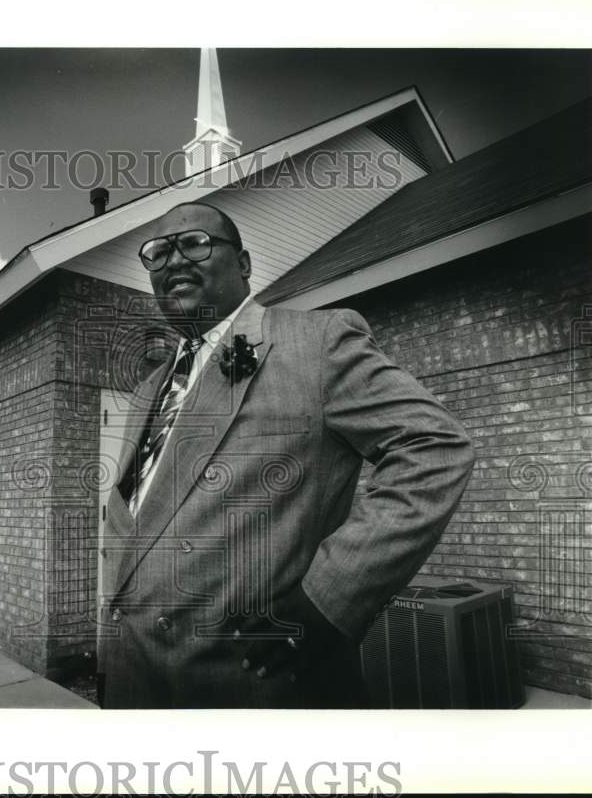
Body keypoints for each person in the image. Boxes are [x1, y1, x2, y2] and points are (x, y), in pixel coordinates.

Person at [97, 202, 475, 709]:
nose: (174, 261)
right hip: (137, 683)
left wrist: (328, 599)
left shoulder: (316, 343)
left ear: (246, 263)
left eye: (195, 243)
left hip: (252, 688)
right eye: (158, 253)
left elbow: (434, 447)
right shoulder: (148, 389)